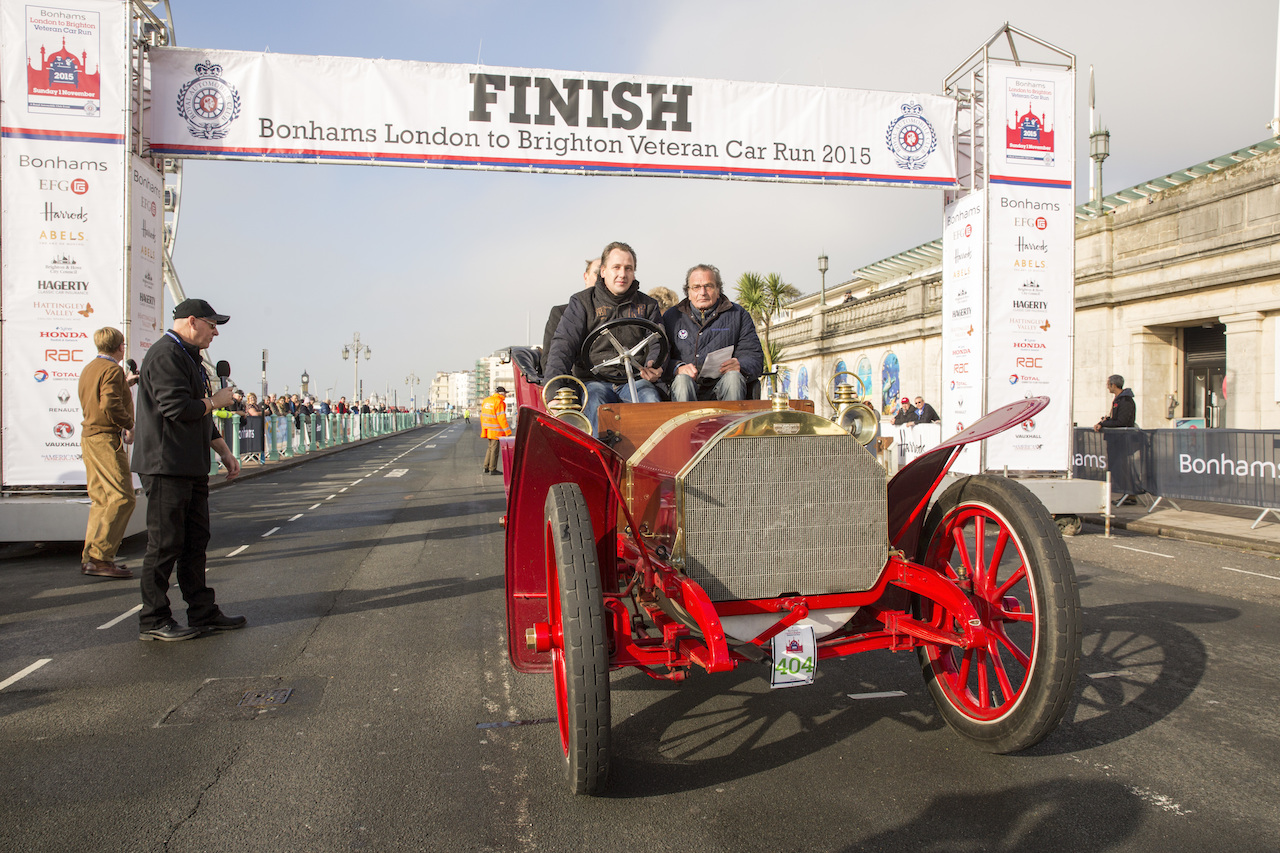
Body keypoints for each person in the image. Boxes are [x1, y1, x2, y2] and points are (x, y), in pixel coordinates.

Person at [132, 298, 244, 642]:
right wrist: (215, 402)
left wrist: (223, 450)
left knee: (196, 541)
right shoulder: (166, 355)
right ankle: (153, 618)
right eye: (212, 325)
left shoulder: (191, 358)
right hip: (167, 465)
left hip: (190, 465)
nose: (215, 332)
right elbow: (177, 407)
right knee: (165, 543)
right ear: (191, 321)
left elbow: (201, 414)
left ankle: (202, 611)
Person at [543, 241, 664, 432]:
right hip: (594, 381)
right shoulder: (582, 302)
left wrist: (653, 364)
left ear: (634, 273)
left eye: (628, 268)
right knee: (596, 401)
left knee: (649, 398)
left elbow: (656, 340)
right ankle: (598, 456)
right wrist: (553, 392)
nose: (622, 274)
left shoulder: (648, 305)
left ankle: (652, 458)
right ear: (603, 271)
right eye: (616, 267)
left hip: (634, 380)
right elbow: (563, 345)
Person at [77, 327, 138, 580]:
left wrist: (125, 384)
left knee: (101, 499)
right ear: (120, 346)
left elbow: (100, 397)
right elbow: (110, 403)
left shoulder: (91, 368)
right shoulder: (112, 369)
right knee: (123, 497)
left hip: (90, 436)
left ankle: (91, 556)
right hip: (105, 437)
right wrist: (128, 423)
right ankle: (101, 557)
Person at [662, 264, 763, 402]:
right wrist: (677, 368)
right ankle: (685, 424)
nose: (702, 292)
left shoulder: (738, 314)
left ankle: (732, 423)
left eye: (708, 286)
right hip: (687, 388)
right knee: (682, 381)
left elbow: (754, 357)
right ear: (688, 292)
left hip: (723, 385)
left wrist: (740, 365)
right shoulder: (671, 317)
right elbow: (660, 358)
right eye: (696, 287)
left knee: (734, 378)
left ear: (718, 289)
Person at [542, 256, 602, 360]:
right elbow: (549, 361)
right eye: (597, 273)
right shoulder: (560, 313)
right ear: (585, 277)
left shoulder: (622, 315)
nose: (601, 279)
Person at [481, 386, 511, 475]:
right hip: (496, 429)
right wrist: (507, 431)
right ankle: (492, 469)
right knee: (495, 450)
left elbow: (482, 415)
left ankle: (486, 467)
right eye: (505, 393)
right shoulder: (499, 402)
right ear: (501, 393)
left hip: (488, 428)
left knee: (490, 448)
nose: (506, 395)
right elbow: (501, 418)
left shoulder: (487, 400)